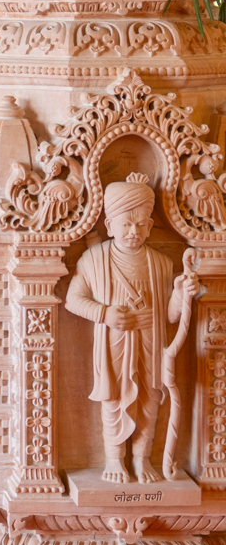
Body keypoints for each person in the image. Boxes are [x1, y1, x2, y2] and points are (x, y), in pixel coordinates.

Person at [65, 173, 198, 483]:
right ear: (109, 225)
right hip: (113, 341)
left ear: (150, 227)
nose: (133, 231)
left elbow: (170, 315)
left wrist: (179, 292)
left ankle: (141, 459)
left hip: (151, 340)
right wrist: (104, 313)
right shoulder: (93, 259)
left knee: (149, 399)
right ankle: (114, 459)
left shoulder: (161, 263)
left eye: (140, 224)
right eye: (125, 223)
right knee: (114, 400)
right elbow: (74, 299)